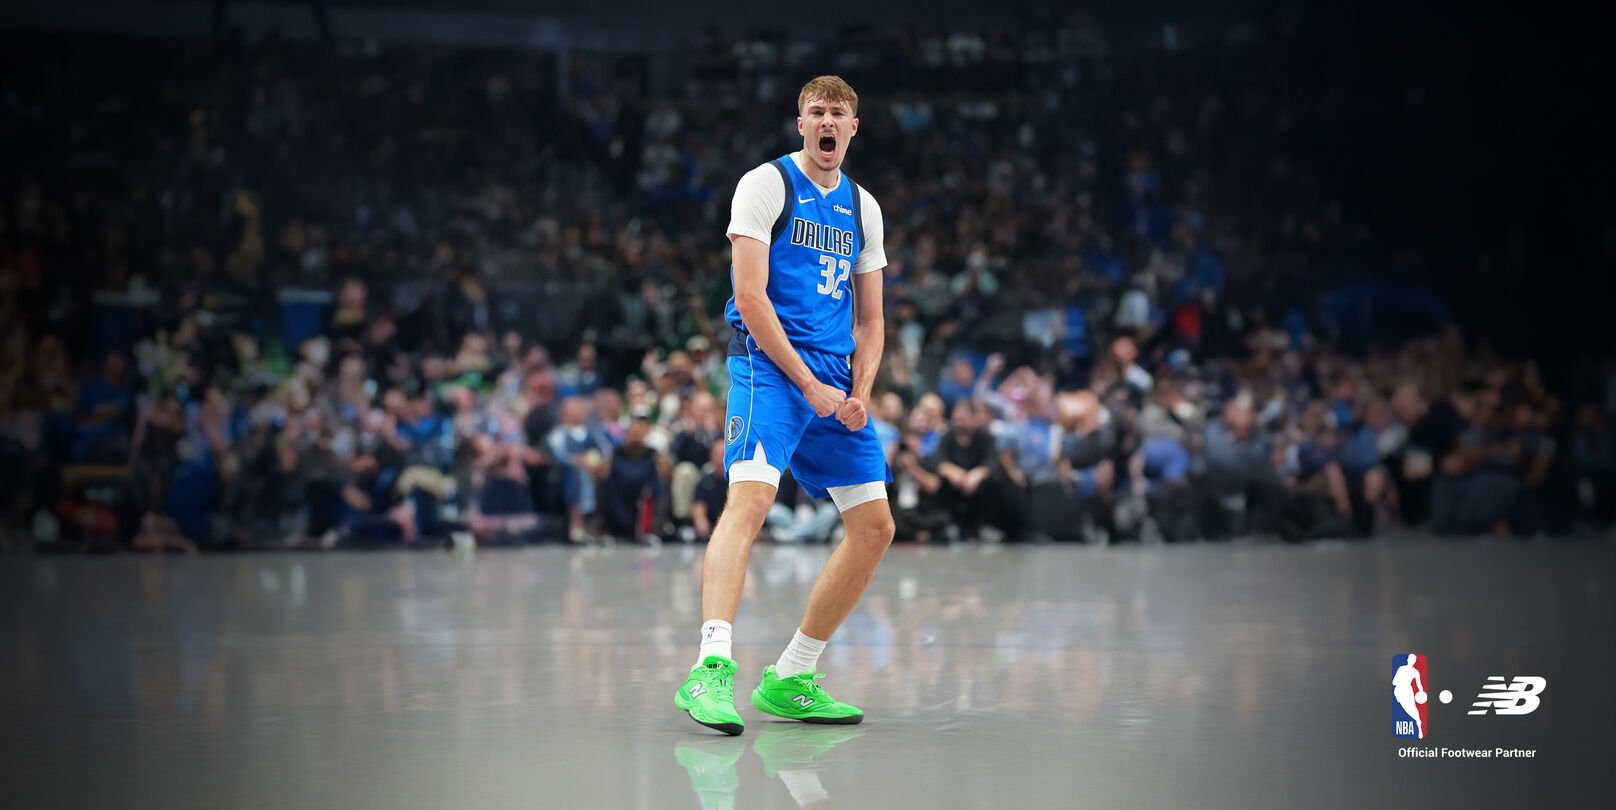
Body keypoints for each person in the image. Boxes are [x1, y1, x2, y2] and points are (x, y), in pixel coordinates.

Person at [675, 76, 893, 736]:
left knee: (875, 527)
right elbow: (748, 296)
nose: (828, 122)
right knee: (750, 501)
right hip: (768, 368)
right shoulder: (766, 185)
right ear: (801, 123)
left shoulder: (864, 207)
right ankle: (710, 668)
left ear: (854, 128)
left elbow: (873, 320)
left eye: (840, 114)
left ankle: (793, 674)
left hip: (831, 380)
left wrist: (859, 393)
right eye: (817, 112)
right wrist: (808, 384)